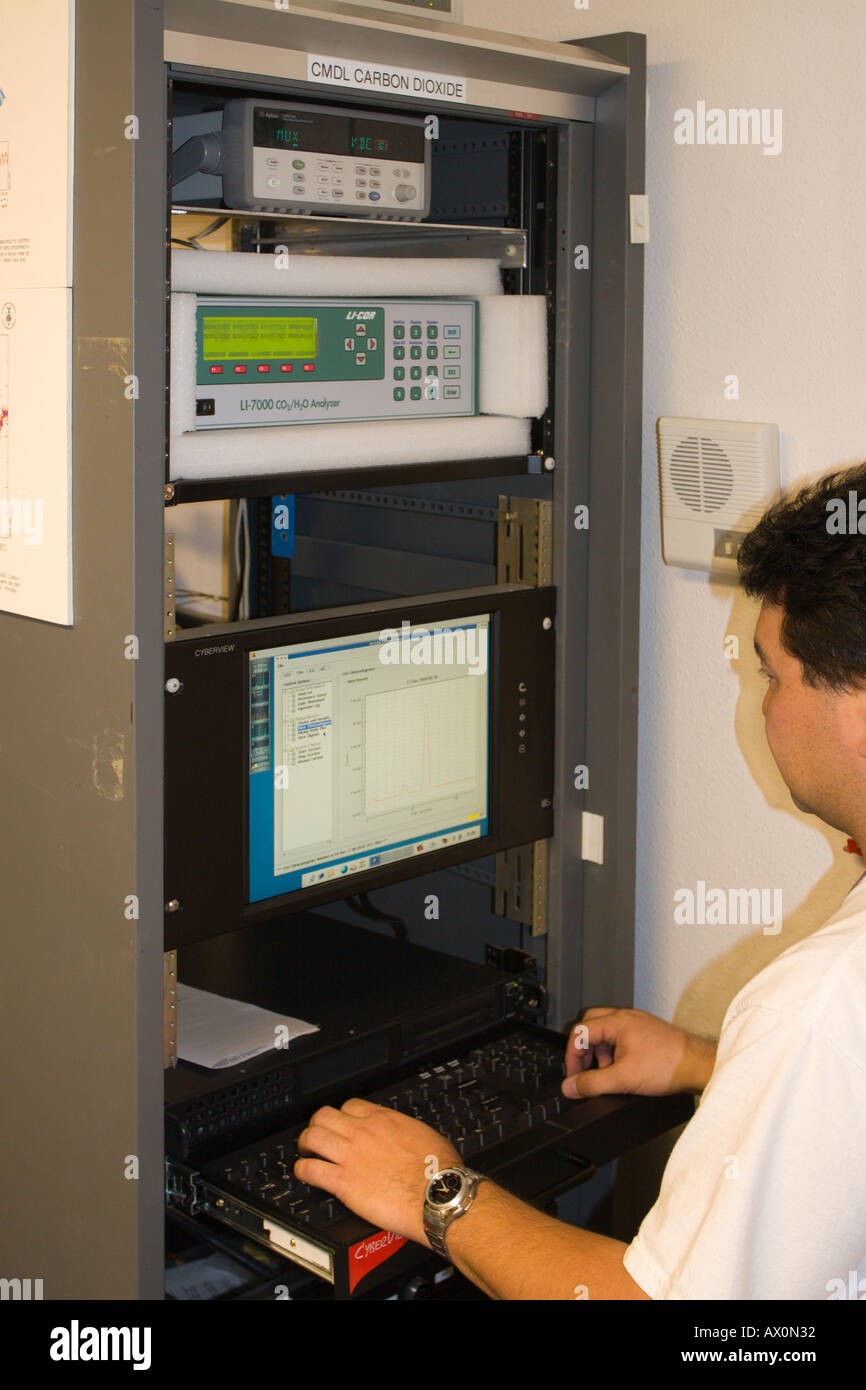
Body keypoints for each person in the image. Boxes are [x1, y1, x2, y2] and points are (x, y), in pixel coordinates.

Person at [294, 463, 866, 1299]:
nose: (762, 705)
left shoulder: (818, 1005)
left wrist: (433, 1191)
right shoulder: (815, 1023)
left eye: (772, 674)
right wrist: (715, 1064)